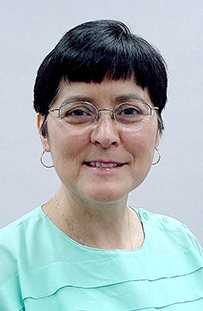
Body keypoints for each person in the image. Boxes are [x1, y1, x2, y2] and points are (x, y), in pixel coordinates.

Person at [0, 20, 203, 310]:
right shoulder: (8, 265)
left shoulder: (182, 245)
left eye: (129, 111)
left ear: (158, 130)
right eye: (79, 112)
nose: (105, 136)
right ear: (43, 130)